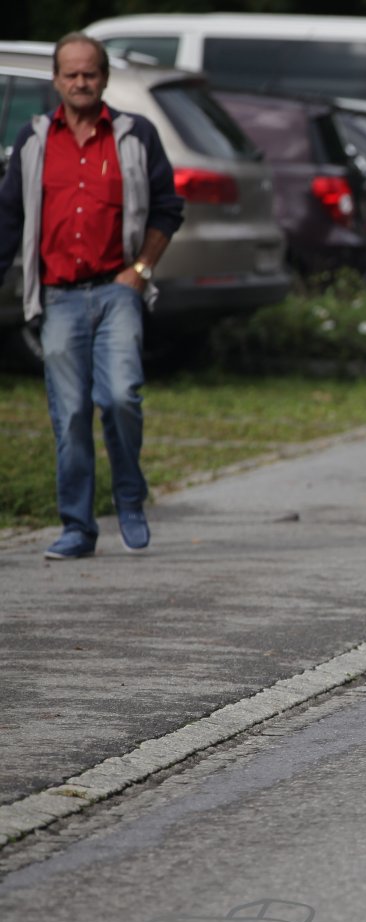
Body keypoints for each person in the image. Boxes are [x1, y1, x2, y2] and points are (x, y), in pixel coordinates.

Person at [0, 32, 184, 560]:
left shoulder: (134, 134)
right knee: (71, 414)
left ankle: (128, 496)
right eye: (71, 74)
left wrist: (141, 269)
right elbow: (9, 218)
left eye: (90, 73)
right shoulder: (34, 140)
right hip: (58, 297)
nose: (81, 82)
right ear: (56, 80)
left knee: (121, 396)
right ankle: (78, 526)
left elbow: (168, 208)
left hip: (117, 289)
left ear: (104, 78)